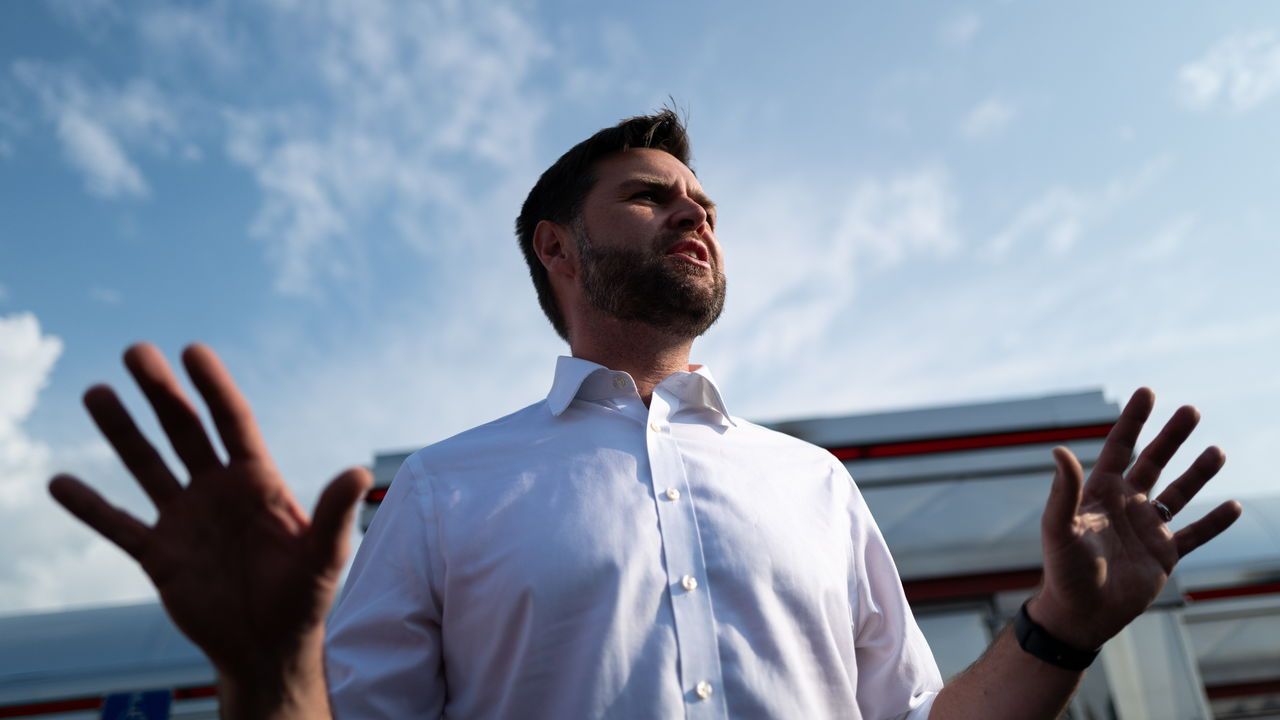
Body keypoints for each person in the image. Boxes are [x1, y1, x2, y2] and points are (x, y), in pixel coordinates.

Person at [49, 109, 1243, 719]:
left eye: (704, 201)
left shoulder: (812, 485)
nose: (695, 213)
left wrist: (1059, 626)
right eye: (651, 196)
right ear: (555, 248)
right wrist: (266, 677)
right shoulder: (442, 490)